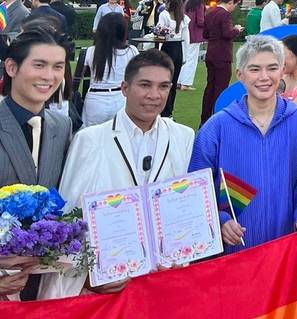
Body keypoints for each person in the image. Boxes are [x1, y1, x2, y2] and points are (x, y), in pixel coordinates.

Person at [43, 50, 194, 299]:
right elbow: (69, 215)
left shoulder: (183, 136)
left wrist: (180, 254)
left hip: (161, 278)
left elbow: (183, 208)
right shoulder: (90, 139)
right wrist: (89, 275)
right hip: (105, 283)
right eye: (145, 85)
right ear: (124, 88)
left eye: (163, 86)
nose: (154, 95)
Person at [190, 36, 297, 253]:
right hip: (235, 252)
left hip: (285, 248)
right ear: (240, 75)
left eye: (272, 68)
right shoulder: (217, 127)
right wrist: (221, 219)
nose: (264, 77)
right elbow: (197, 187)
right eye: (255, 69)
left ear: (282, 71)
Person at [0, 30, 71, 301]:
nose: (49, 76)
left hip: (44, 283)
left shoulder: (61, 126)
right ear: (12, 67)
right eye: (39, 65)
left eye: (58, 67)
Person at [83, 13, 138, 127]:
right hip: (120, 99)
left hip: (95, 100)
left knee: (91, 138)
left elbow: (77, 80)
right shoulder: (131, 51)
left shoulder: (90, 51)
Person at [201, 0, 244, 123]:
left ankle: (205, 117)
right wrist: (236, 30)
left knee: (210, 87)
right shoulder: (224, 14)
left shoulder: (210, 12)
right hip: (222, 54)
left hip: (211, 53)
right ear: (230, 2)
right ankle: (217, 117)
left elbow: (205, 33)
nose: (234, 8)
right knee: (220, 88)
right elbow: (227, 33)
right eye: (235, 5)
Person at [154, 0, 189, 118]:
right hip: (170, 46)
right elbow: (159, 29)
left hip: (175, 46)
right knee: (166, 81)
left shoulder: (182, 17)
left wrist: (185, 55)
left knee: (172, 82)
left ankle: (168, 111)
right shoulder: (165, 14)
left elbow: (186, 37)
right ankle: (164, 111)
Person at [180, 0, 208, 92]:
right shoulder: (199, 5)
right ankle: (186, 83)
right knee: (192, 60)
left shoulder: (187, 3)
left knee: (185, 58)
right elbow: (200, 21)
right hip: (195, 34)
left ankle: (179, 81)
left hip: (185, 33)